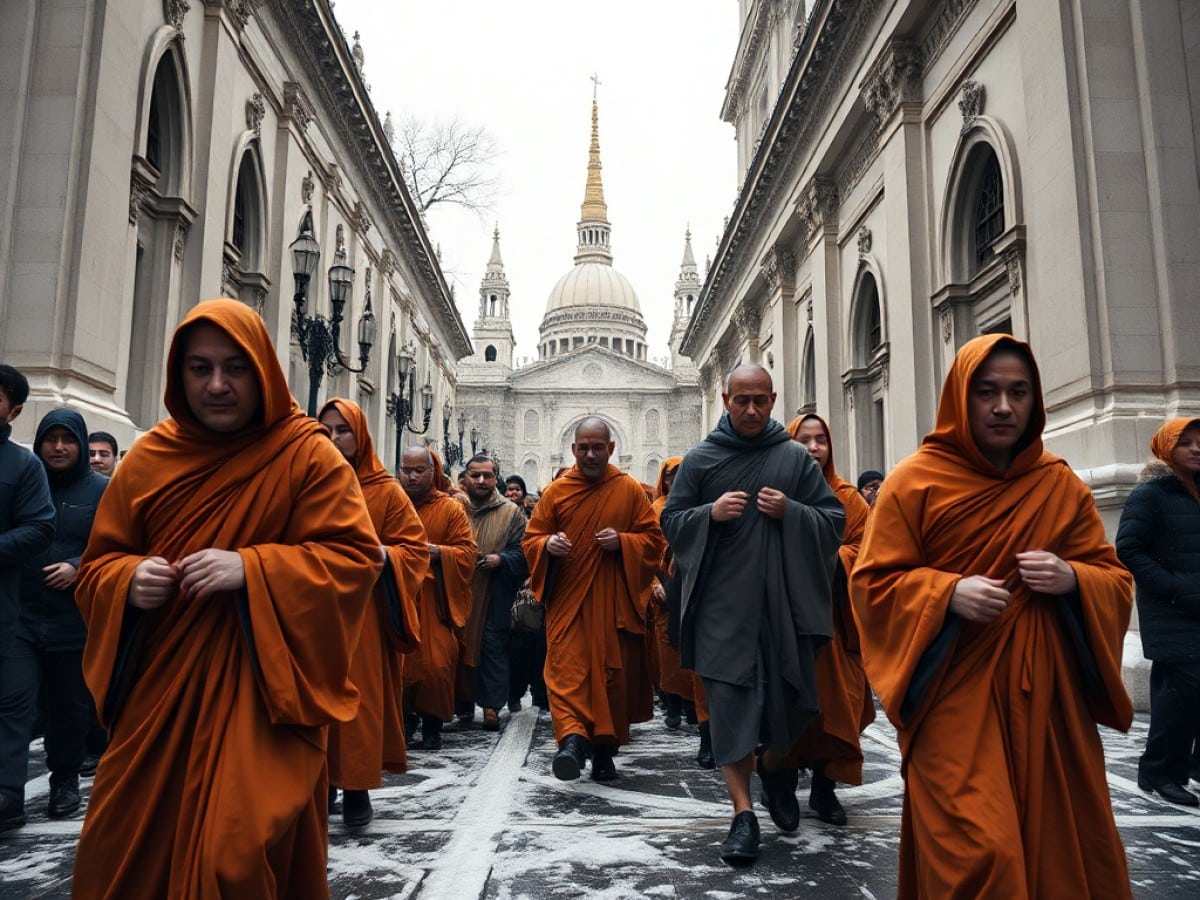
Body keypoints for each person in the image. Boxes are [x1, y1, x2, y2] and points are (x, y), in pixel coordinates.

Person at [72, 299, 383, 897]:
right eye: (199, 368)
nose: (217, 385)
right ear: (177, 374)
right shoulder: (149, 459)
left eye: (235, 368)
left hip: (265, 691)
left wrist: (253, 568)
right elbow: (96, 570)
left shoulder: (306, 454)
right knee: (119, 852)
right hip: (157, 696)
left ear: (263, 369)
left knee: (232, 857)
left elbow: (356, 559)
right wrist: (126, 580)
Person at [850, 334, 1134, 898]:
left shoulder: (1058, 484)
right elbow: (872, 585)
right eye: (987, 391)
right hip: (954, 692)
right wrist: (945, 593)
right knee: (980, 854)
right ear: (960, 396)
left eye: (1018, 392)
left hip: (1049, 700)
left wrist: (1073, 578)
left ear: (1034, 401)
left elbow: (1116, 578)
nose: (1003, 406)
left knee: (1058, 846)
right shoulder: (913, 481)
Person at [661, 365, 843, 866]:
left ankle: (776, 767)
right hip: (723, 611)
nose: (750, 410)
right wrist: (709, 514)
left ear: (773, 398)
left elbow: (834, 521)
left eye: (760, 401)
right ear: (725, 399)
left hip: (783, 610)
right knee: (730, 711)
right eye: (741, 400)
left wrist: (793, 511)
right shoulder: (700, 461)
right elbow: (671, 521)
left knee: (793, 703)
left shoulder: (793, 459)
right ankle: (742, 814)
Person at [523, 417, 666, 782]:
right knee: (565, 673)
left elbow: (653, 540)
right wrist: (547, 545)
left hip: (613, 604)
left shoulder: (629, 490)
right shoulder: (556, 493)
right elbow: (531, 539)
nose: (590, 454)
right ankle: (570, 742)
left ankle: (604, 751)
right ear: (573, 450)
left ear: (611, 448)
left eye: (597, 447)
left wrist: (624, 542)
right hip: (568, 604)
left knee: (610, 680)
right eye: (583, 448)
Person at [318, 399, 428, 827]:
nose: (333, 438)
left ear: (360, 434)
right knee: (313, 702)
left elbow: (413, 549)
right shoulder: (305, 480)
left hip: (363, 614)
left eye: (342, 430)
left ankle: (357, 788)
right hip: (313, 611)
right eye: (325, 429)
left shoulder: (385, 490)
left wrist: (381, 555)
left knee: (357, 703)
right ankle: (319, 785)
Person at [2, 410, 109, 827]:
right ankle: (8, 792)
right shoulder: (27, 479)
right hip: (21, 616)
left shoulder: (101, 490)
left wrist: (79, 567)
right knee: (15, 700)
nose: (59, 447)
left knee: (68, 705)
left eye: (68, 439)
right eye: (51, 438)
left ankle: (64, 778)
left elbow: (116, 544)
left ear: (81, 444)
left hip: (73, 619)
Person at [784, 414, 875, 825]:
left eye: (821, 439)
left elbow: (869, 551)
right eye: (804, 440)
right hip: (787, 620)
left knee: (837, 706)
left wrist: (833, 555)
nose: (814, 448)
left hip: (836, 619)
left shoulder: (850, 498)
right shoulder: (775, 494)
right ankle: (781, 783)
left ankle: (825, 787)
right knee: (785, 704)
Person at [1115, 418, 1200, 806]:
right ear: (1167, 447)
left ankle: (1188, 768)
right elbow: (1129, 550)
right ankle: (1161, 773)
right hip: (1172, 613)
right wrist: (1176, 587)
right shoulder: (1150, 495)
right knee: (1177, 698)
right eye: (1186, 443)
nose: (1196, 449)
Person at [0, 365, 56, 832]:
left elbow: (40, 527)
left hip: (9, 615)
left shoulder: (23, 466)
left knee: (11, 707)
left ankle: (7, 795)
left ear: (14, 410)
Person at [400, 445, 477, 751]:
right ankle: (404, 723)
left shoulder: (450, 509)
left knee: (436, 666)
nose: (413, 477)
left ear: (433, 473)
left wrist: (438, 553)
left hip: (437, 599)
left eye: (420, 471)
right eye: (407, 470)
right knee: (400, 665)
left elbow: (468, 553)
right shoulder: (393, 502)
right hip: (399, 596)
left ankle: (432, 726)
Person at [650, 457, 713, 767]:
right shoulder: (658, 508)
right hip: (672, 582)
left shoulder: (708, 505)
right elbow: (650, 550)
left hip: (710, 586)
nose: (675, 481)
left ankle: (705, 720)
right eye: (670, 476)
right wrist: (653, 582)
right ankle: (685, 711)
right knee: (673, 648)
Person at [461, 455, 528, 730]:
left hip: (495, 592)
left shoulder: (511, 513)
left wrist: (501, 560)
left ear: (495, 478)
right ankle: (462, 703)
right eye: (475, 475)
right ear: (466, 478)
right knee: (457, 648)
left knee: (493, 648)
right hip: (459, 592)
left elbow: (525, 551)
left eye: (487, 476)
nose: (481, 481)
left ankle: (492, 706)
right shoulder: (454, 508)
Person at [504, 475, 548, 713]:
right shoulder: (510, 519)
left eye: (517, 489)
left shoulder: (536, 520)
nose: (513, 493)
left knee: (542, 645)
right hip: (519, 591)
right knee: (519, 646)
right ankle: (515, 693)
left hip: (543, 592)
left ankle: (541, 694)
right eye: (509, 489)